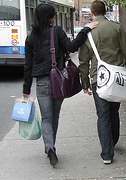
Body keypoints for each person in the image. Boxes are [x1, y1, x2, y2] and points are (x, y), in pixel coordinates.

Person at [22, 3, 98, 167]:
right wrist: (85, 29)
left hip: (42, 82)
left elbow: (28, 66)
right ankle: (51, 147)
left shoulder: (30, 38)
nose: (54, 17)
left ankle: (50, 147)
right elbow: (72, 46)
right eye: (53, 14)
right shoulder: (56, 31)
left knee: (46, 118)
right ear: (49, 17)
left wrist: (26, 89)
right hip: (58, 81)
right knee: (54, 116)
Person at [78, 0, 126, 164]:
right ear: (105, 11)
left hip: (98, 79)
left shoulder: (89, 32)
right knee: (113, 111)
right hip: (116, 78)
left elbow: (83, 61)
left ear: (93, 14)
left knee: (102, 115)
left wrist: (85, 82)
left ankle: (107, 154)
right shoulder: (116, 28)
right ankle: (113, 141)